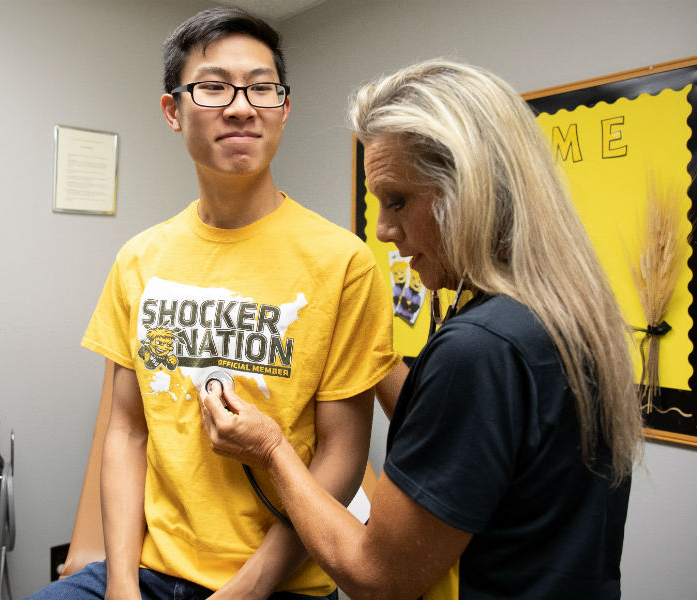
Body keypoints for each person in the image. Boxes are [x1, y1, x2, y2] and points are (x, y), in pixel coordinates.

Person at [199, 59, 644, 600]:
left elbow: (375, 576)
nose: (383, 231)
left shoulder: (479, 350)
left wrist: (271, 449)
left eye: (398, 200)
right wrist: (376, 355)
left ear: (470, 187)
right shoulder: (564, 319)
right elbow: (471, 440)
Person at [28, 6, 399, 600]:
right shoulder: (139, 260)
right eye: (214, 86)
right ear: (173, 110)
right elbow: (125, 431)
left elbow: (344, 455)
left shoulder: (343, 262)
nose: (241, 106)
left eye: (261, 87)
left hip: (280, 583)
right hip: (149, 573)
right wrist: (122, 583)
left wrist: (246, 590)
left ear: (283, 106)